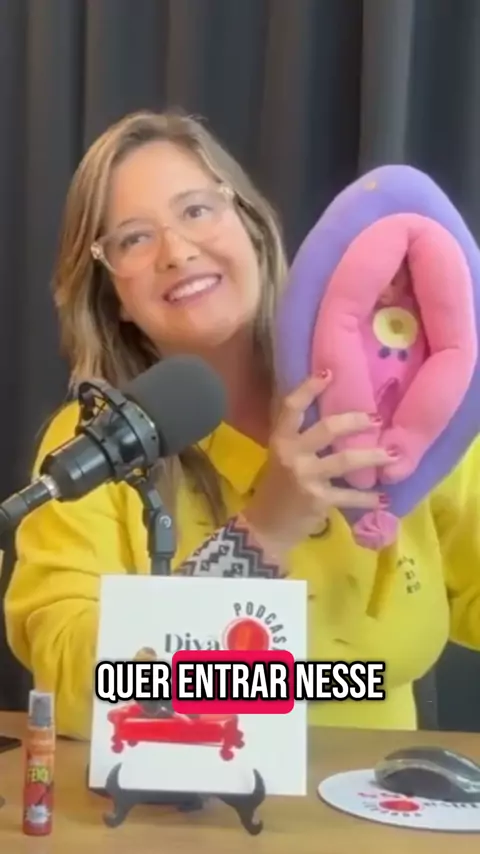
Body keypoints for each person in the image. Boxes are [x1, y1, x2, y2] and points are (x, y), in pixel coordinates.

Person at [4, 110, 480, 740]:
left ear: (252, 226)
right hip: (188, 793)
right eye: (134, 239)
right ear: (114, 297)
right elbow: (68, 682)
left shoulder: (400, 402)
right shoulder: (92, 447)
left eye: (197, 210)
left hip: (378, 794)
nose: (177, 252)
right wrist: (261, 536)